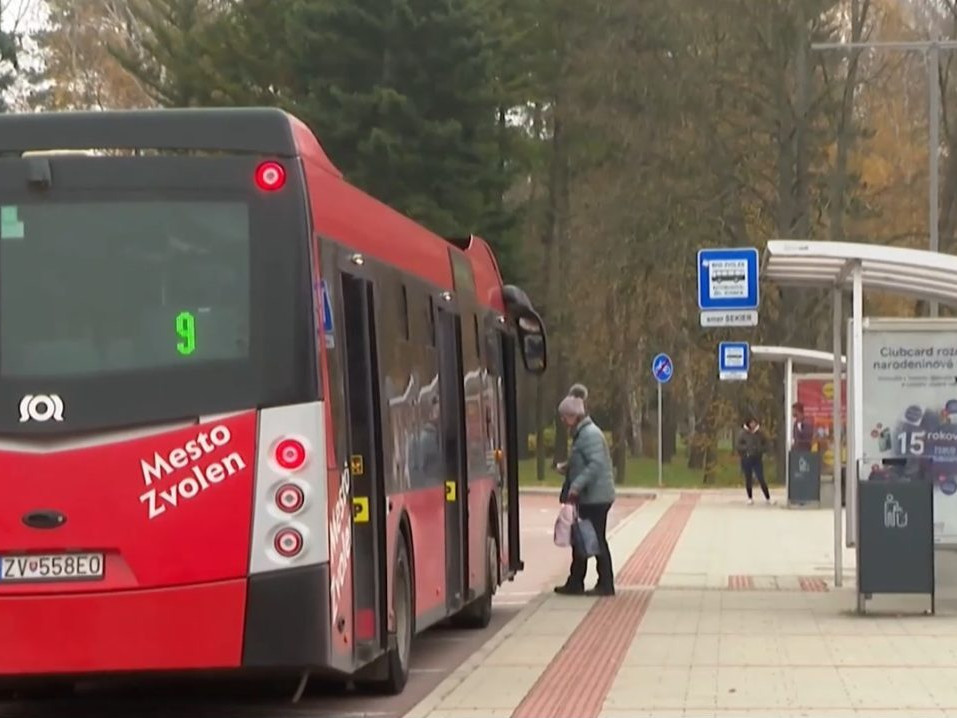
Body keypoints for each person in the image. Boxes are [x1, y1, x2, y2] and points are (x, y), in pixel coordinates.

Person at [555, 394, 616, 596]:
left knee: (595, 538)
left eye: (565, 417)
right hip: (593, 495)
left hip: (595, 497)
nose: (563, 421)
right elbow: (587, 461)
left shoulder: (589, 434)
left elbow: (596, 464)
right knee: (583, 537)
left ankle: (604, 583)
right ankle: (577, 581)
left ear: (574, 416)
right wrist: (568, 468)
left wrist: (576, 486)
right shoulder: (584, 434)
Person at [735, 416, 771, 505]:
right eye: (751, 423)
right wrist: (746, 449)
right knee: (748, 478)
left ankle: (768, 498)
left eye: (754, 423)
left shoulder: (760, 433)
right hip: (747, 458)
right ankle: (750, 498)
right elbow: (738, 445)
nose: (753, 425)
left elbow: (767, 444)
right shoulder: (743, 433)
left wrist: (760, 449)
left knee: (761, 478)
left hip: (757, 458)